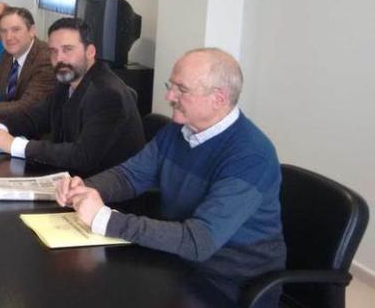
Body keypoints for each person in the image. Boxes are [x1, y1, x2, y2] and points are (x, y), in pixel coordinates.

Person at [55, 48, 285, 305]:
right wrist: (86, 188)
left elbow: (199, 241)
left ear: (218, 98)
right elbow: (130, 175)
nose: (169, 96)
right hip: (174, 262)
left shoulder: (250, 156)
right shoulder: (178, 130)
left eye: (181, 90)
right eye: (171, 85)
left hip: (227, 285)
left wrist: (104, 219)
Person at [0, 17, 145, 176]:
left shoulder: (107, 93)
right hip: (71, 181)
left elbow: (82, 156)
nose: (59, 59)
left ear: (90, 51)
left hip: (105, 196)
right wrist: (0, 127)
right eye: (53, 52)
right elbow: (35, 117)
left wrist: (15, 145)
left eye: (68, 49)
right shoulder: (67, 81)